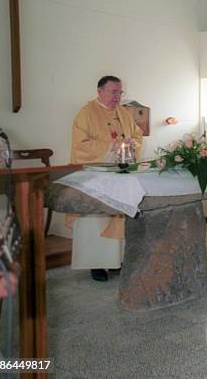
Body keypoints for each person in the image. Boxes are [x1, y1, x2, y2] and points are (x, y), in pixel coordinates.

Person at [68, 76, 143, 281]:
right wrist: (110, 146)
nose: (117, 97)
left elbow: (137, 136)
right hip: (95, 177)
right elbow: (79, 145)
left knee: (118, 215)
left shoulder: (124, 114)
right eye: (113, 92)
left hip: (118, 176)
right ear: (99, 91)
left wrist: (130, 145)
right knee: (96, 220)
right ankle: (96, 263)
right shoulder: (86, 113)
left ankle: (115, 261)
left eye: (120, 92)